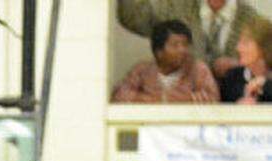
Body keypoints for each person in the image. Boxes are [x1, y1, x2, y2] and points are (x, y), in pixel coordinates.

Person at [116, 0, 269, 81]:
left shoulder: (251, 20)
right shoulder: (176, 7)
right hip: (181, 114)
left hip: (235, 124)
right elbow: (133, 18)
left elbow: (265, 67)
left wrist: (239, 68)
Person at [111, 19, 220, 102]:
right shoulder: (142, 70)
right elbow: (120, 95)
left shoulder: (198, 69)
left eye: (185, 45)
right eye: (175, 45)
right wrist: (165, 99)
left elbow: (212, 98)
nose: (183, 50)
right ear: (159, 52)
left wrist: (150, 99)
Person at [220, 18, 272, 100]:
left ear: (263, 47)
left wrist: (265, 84)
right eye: (239, 42)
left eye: (245, 43)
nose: (238, 48)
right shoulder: (231, 78)